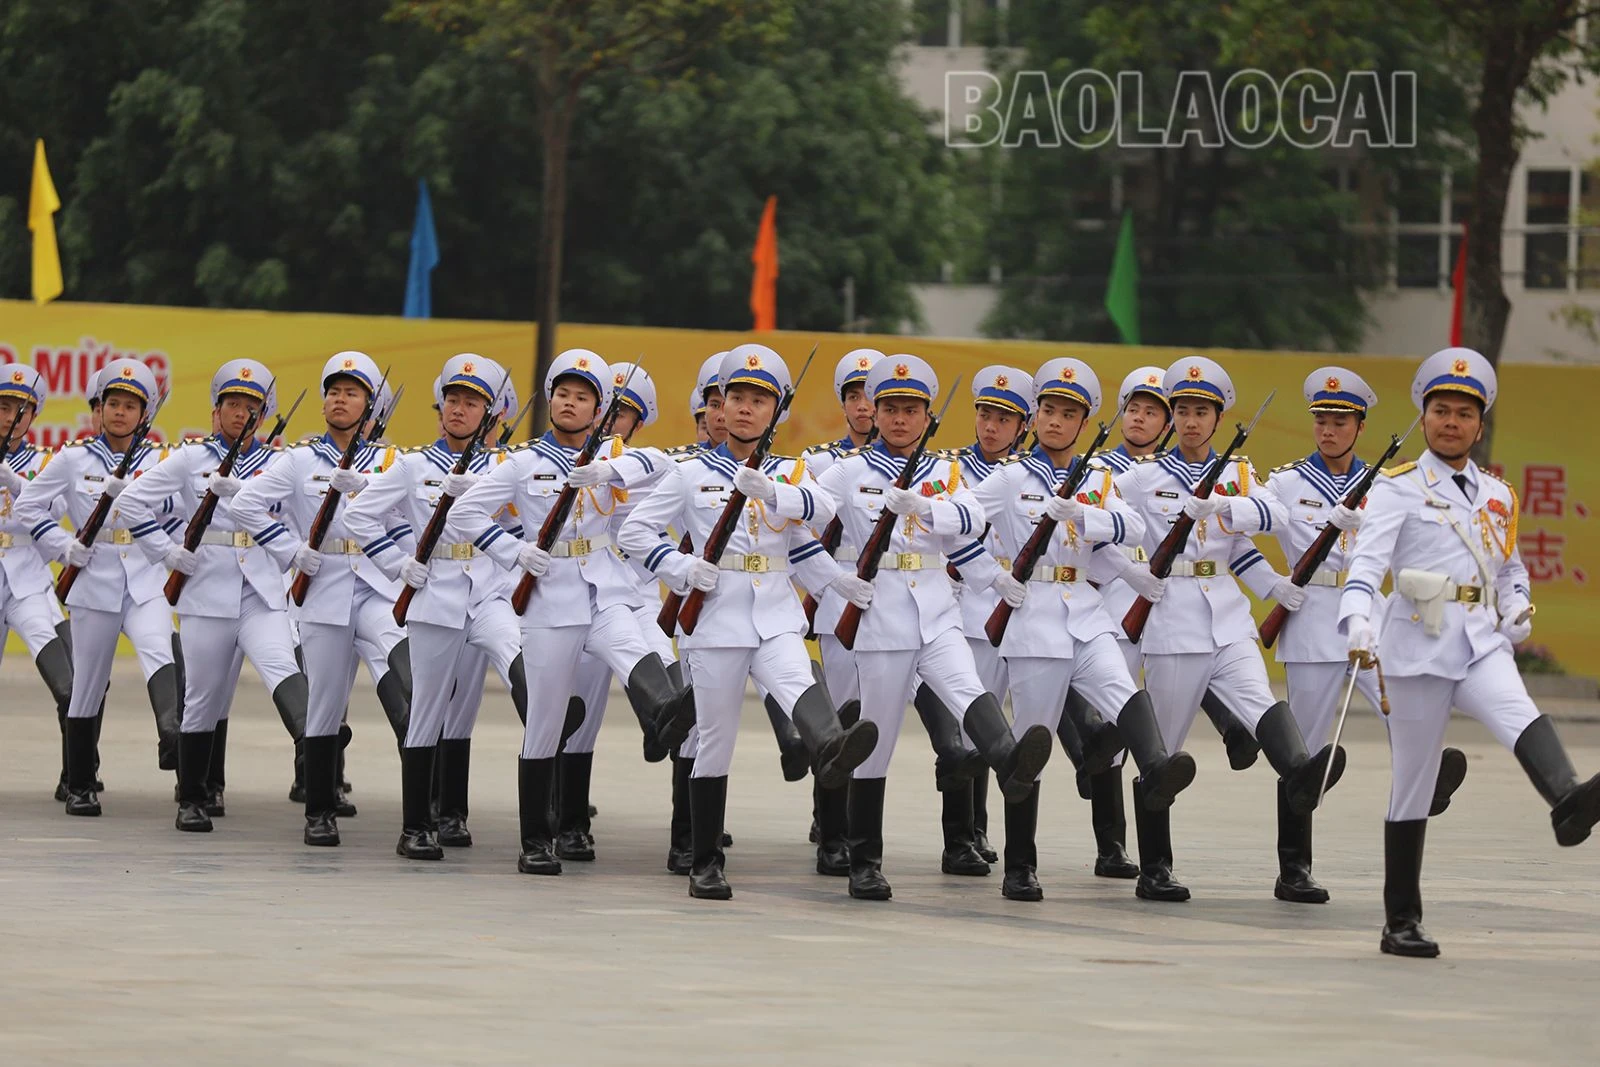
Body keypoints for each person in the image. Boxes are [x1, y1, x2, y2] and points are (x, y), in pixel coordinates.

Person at [1340, 346, 1600, 957]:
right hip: (1415, 643)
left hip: (1481, 641)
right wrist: (1356, 619)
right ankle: (1400, 920)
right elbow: (1366, 564)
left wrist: (1517, 606)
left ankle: (1568, 800)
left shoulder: (1499, 495)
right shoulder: (1396, 488)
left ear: (1479, 425)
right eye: (1440, 410)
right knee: (1412, 783)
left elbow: (1510, 568)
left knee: (1521, 714)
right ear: (1423, 418)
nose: (1451, 421)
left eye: (1463, 413)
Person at [618, 343, 877, 900]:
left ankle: (831, 748)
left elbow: (818, 518)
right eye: (734, 397)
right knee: (715, 739)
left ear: (776, 411)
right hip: (715, 619)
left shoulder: (794, 471)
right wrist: (681, 568)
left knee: (799, 683)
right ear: (720, 403)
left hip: (777, 614)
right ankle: (705, 860)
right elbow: (635, 532)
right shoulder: (689, 474)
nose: (743, 408)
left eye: (758, 400)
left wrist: (831, 575)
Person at [809, 354, 1053, 901]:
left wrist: (987, 574)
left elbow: (968, 523)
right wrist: (833, 580)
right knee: (877, 738)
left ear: (926, 417)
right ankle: (864, 861)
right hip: (882, 617)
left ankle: (1011, 759)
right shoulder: (848, 473)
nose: (899, 419)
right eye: (890, 408)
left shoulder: (944, 472)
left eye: (911, 410)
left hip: (938, 610)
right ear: (875, 410)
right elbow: (802, 520)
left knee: (968, 690)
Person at [1106, 355, 1344, 901]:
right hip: (1171, 618)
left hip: (1228, 617)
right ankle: (1155, 867)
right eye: (1182, 411)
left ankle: (1301, 775)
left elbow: (1265, 524)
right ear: (1171, 418)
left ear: (1218, 418)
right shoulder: (1143, 477)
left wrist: (1268, 581)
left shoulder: (1237, 473)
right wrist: (1132, 572)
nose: (1191, 422)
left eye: (1202, 412)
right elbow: (1106, 527)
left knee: (1260, 702)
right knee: (1164, 749)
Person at [452, 349, 695, 877]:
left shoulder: (615, 460)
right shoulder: (523, 462)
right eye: (562, 393)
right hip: (548, 597)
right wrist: (510, 551)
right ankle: (536, 840)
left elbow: (664, 465)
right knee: (543, 721)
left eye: (582, 396)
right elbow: (465, 511)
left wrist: (610, 465)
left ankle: (667, 716)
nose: (569, 403)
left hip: (603, 586)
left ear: (600, 408)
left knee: (632, 647)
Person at [965, 358, 1196, 901]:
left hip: (1086, 611)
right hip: (1033, 616)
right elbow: (960, 523)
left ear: (1085, 422)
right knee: (1032, 746)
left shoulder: (1097, 478)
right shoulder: (1010, 479)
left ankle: (1157, 777)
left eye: (1067, 414)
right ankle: (1020, 866)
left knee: (1123, 693)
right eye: (1047, 410)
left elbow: (1131, 525)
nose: (1053, 421)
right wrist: (992, 577)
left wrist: (1083, 516)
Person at [1261, 366, 1468, 902]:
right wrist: (1275, 583)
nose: (1328, 430)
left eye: (1339, 422)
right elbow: (1251, 520)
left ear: (1359, 427)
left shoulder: (1386, 487)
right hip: (1310, 616)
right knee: (1302, 753)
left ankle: (1429, 777)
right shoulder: (1286, 482)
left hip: (1368, 613)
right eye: (1321, 421)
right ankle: (1294, 868)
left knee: (1401, 706)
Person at [344, 354, 527, 860]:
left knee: (499, 669)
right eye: (453, 399)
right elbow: (360, 517)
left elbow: (522, 529)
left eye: (471, 403)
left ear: (490, 415)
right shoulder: (413, 465)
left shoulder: (506, 468)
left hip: (488, 589)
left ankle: (459, 809)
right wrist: (397, 565)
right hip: (435, 593)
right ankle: (416, 826)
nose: (459, 410)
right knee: (428, 709)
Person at [117, 360, 310, 831]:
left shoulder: (279, 463)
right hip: (206, 588)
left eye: (250, 407)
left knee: (281, 663)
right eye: (232, 405)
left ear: (262, 416)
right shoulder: (190, 459)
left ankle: (315, 737)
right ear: (216, 410)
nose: (240, 414)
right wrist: (166, 551)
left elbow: (299, 517)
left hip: (261, 588)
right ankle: (193, 797)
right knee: (203, 697)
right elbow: (128, 502)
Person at [231, 351, 413, 847]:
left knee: (404, 658)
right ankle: (319, 810)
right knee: (325, 702)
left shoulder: (392, 461)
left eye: (351, 392)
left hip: (379, 585)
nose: (338, 399)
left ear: (370, 406)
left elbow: (407, 519)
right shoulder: (299, 460)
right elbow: (246, 502)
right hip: (325, 585)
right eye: (334, 391)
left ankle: (426, 799)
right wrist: (290, 551)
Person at [14, 358, 182, 816]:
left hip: (144, 577)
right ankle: (82, 783)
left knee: (158, 648)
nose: (120, 413)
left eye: (130, 405)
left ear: (144, 415)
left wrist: (167, 549)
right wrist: (63, 545)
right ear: (99, 408)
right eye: (113, 403)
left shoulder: (163, 460)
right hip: (94, 577)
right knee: (88, 682)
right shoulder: (72, 458)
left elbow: (181, 512)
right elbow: (29, 507)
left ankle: (172, 735)